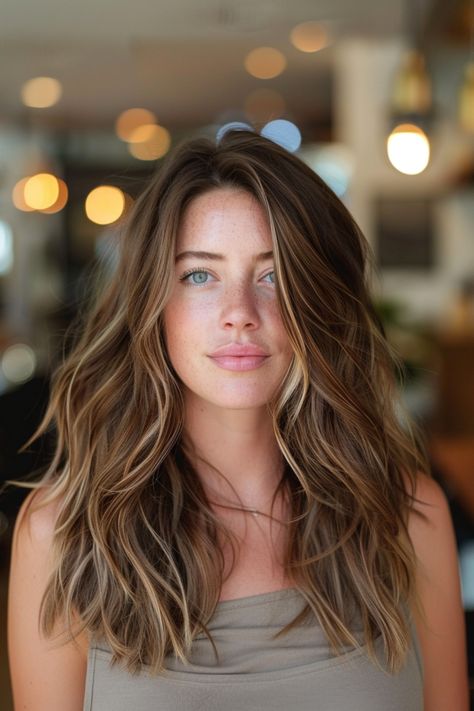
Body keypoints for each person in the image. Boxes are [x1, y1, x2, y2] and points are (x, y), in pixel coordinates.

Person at [7, 129, 469, 710]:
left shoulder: (407, 518)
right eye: (199, 275)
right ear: (154, 305)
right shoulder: (63, 535)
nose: (239, 315)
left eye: (273, 275)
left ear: (318, 301)